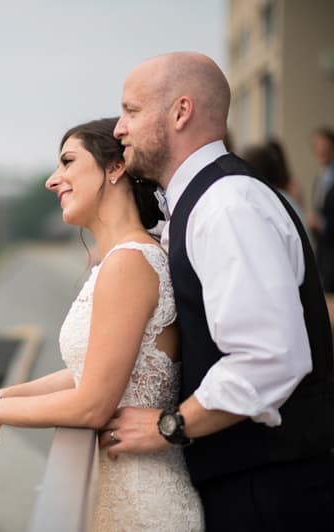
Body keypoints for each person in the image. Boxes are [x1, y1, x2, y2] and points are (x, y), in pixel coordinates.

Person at [104, 52, 334, 531]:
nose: (119, 129)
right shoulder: (206, 202)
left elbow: (269, 355)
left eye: (131, 110)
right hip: (254, 482)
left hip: (270, 492)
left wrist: (171, 425)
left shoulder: (227, 205)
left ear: (181, 112)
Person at [0, 118, 203, 531]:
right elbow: (87, 372)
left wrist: (3, 414)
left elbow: (93, 403)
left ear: (114, 168)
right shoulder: (122, 261)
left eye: (68, 162)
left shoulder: (130, 263)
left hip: (142, 506)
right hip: (120, 494)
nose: (54, 181)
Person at [308, 127, 334, 291]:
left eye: (324, 146)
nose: (320, 151)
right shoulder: (321, 176)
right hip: (324, 249)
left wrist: (322, 224)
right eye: (316, 147)